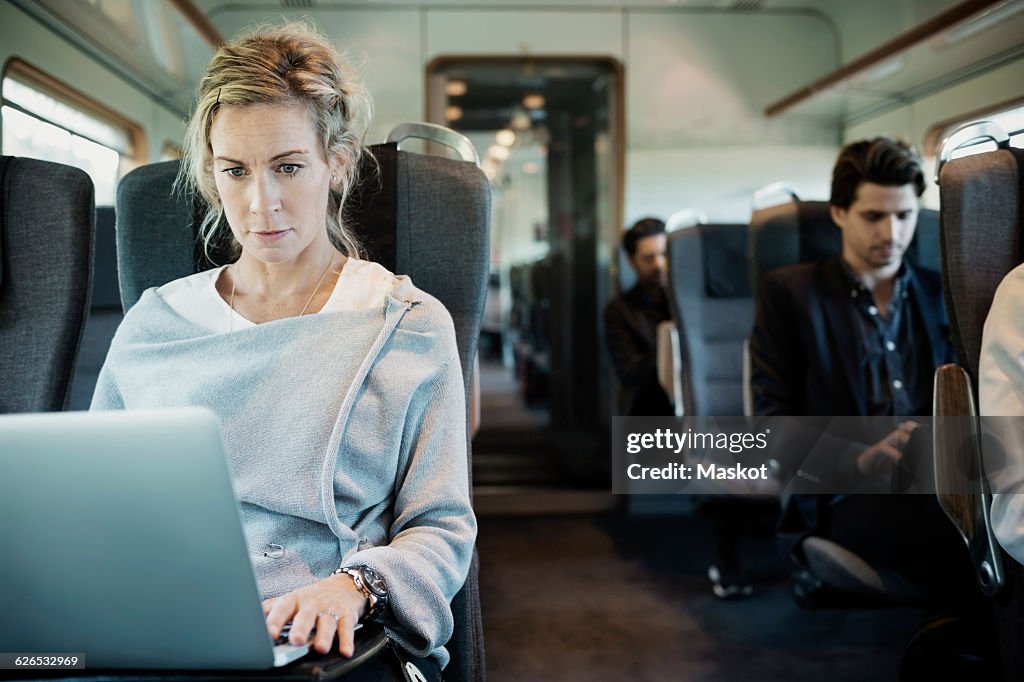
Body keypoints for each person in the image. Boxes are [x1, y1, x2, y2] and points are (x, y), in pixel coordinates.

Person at [90, 22, 475, 681]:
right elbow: (97, 505)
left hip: (325, 641)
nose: (260, 203)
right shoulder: (156, 324)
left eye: (288, 167)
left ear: (338, 163)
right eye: (234, 171)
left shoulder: (407, 326)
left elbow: (441, 527)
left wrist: (357, 587)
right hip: (165, 622)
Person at [749, 137, 968, 598]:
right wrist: (857, 459)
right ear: (838, 214)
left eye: (904, 216)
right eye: (873, 217)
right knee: (958, 537)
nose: (891, 234)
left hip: (940, 478)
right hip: (842, 492)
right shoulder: (791, 294)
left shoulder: (942, 293)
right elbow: (772, 423)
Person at [604, 217, 673, 417]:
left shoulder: (688, 303)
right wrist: (667, 341)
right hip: (646, 410)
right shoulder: (619, 310)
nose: (659, 264)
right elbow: (629, 373)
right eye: (649, 258)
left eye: (664, 255)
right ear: (631, 261)